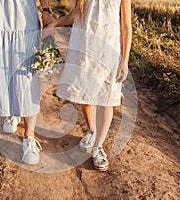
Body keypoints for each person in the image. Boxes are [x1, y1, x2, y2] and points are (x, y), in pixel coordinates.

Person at [45, 0, 132, 171]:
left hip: (108, 49)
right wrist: (55, 23)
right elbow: (74, 14)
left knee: (106, 99)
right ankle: (92, 130)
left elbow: (126, 25)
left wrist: (125, 60)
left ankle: (98, 147)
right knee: (84, 93)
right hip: (83, 46)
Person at [0, 0, 54, 165]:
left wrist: (46, 9)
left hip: (22, 15)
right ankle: (12, 113)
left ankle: (29, 137)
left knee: (26, 76)